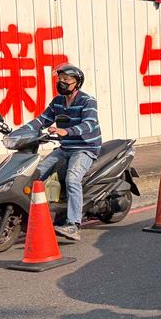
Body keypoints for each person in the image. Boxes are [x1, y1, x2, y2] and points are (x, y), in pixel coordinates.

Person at [22, 64, 101, 242]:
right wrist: (20, 132)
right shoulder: (58, 101)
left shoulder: (88, 101)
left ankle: (73, 225)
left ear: (77, 82)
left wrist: (67, 131)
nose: (61, 83)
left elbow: (89, 124)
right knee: (36, 173)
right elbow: (42, 119)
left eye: (66, 80)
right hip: (65, 147)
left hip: (84, 148)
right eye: (60, 79)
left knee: (72, 179)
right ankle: (33, 217)